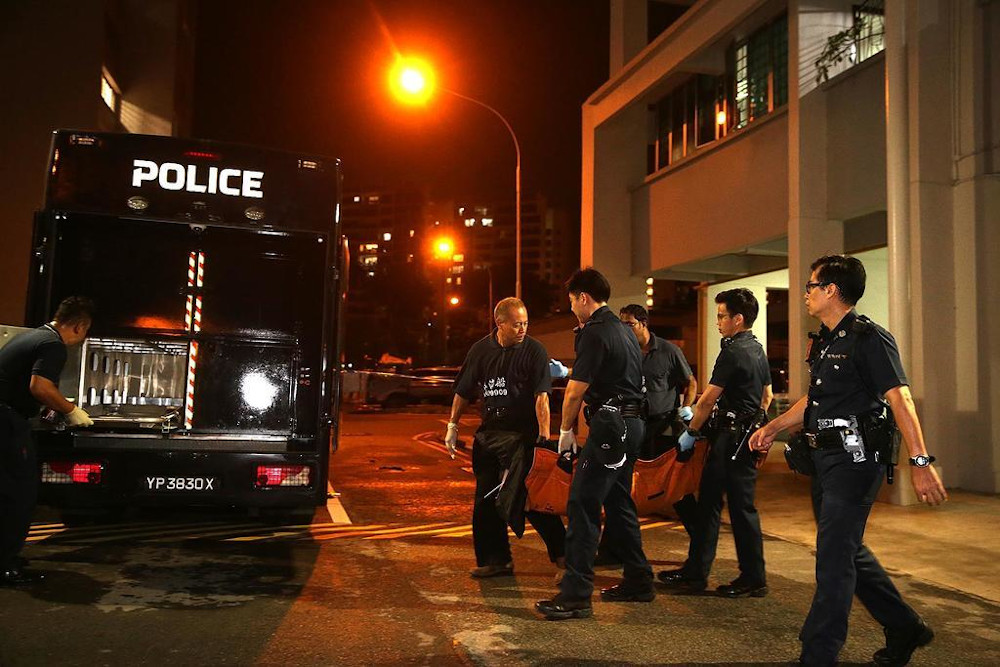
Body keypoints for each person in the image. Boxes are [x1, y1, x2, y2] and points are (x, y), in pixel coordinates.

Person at [749, 255, 946, 667]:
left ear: (831, 291)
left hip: (856, 461)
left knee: (833, 560)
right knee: (847, 549)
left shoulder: (870, 338)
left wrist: (921, 461)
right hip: (825, 459)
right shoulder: (827, 340)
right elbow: (815, 401)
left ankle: (818, 655)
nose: (806, 292)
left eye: (811, 285)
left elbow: (899, 398)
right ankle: (905, 625)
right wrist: (774, 427)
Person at [535, 268, 654, 620]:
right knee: (618, 502)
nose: (572, 308)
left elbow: (575, 391)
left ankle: (575, 594)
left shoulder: (595, 332)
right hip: (631, 425)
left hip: (610, 430)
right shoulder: (624, 330)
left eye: (572, 301)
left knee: (583, 504)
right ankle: (639, 580)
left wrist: (566, 431)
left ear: (583, 297)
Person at [659, 288, 772, 598]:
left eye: (722, 316)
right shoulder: (757, 349)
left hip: (729, 439)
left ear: (738, 319)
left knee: (725, 508)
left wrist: (691, 432)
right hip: (743, 438)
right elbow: (767, 397)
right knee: (724, 506)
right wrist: (757, 430)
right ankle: (699, 571)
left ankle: (750, 578)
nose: (718, 321)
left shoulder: (733, 351)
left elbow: (708, 399)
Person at [444, 297, 566, 579]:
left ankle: (565, 558)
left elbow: (541, 398)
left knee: (529, 498)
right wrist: (452, 424)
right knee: (485, 500)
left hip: (523, 436)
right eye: (516, 325)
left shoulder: (534, 350)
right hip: (490, 435)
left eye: (525, 323)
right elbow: (463, 391)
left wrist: (544, 438)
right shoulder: (480, 351)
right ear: (499, 323)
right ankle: (495, 560)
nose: (522, 329)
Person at [0, 296, 95, 587]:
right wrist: (72, 410)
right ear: (79, 327)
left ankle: (4, 557)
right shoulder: (53, 345)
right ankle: (6, 567)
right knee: (19, 493)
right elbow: (40, 386)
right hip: (6, 421)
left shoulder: (33, 336)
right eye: (86, 331)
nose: (83, 338)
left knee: (5, 490)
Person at [595, 303, 697, 565]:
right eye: (621, 325)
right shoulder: (622, 352)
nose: (624, 329)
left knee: (676, 490)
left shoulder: (668, 351)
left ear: (643, 324)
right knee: (621, 487)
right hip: (631, 426)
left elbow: (690, 381)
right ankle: (610, 551)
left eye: (628, 324)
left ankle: (701, 547)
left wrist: (686, 408)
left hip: (663, 428)